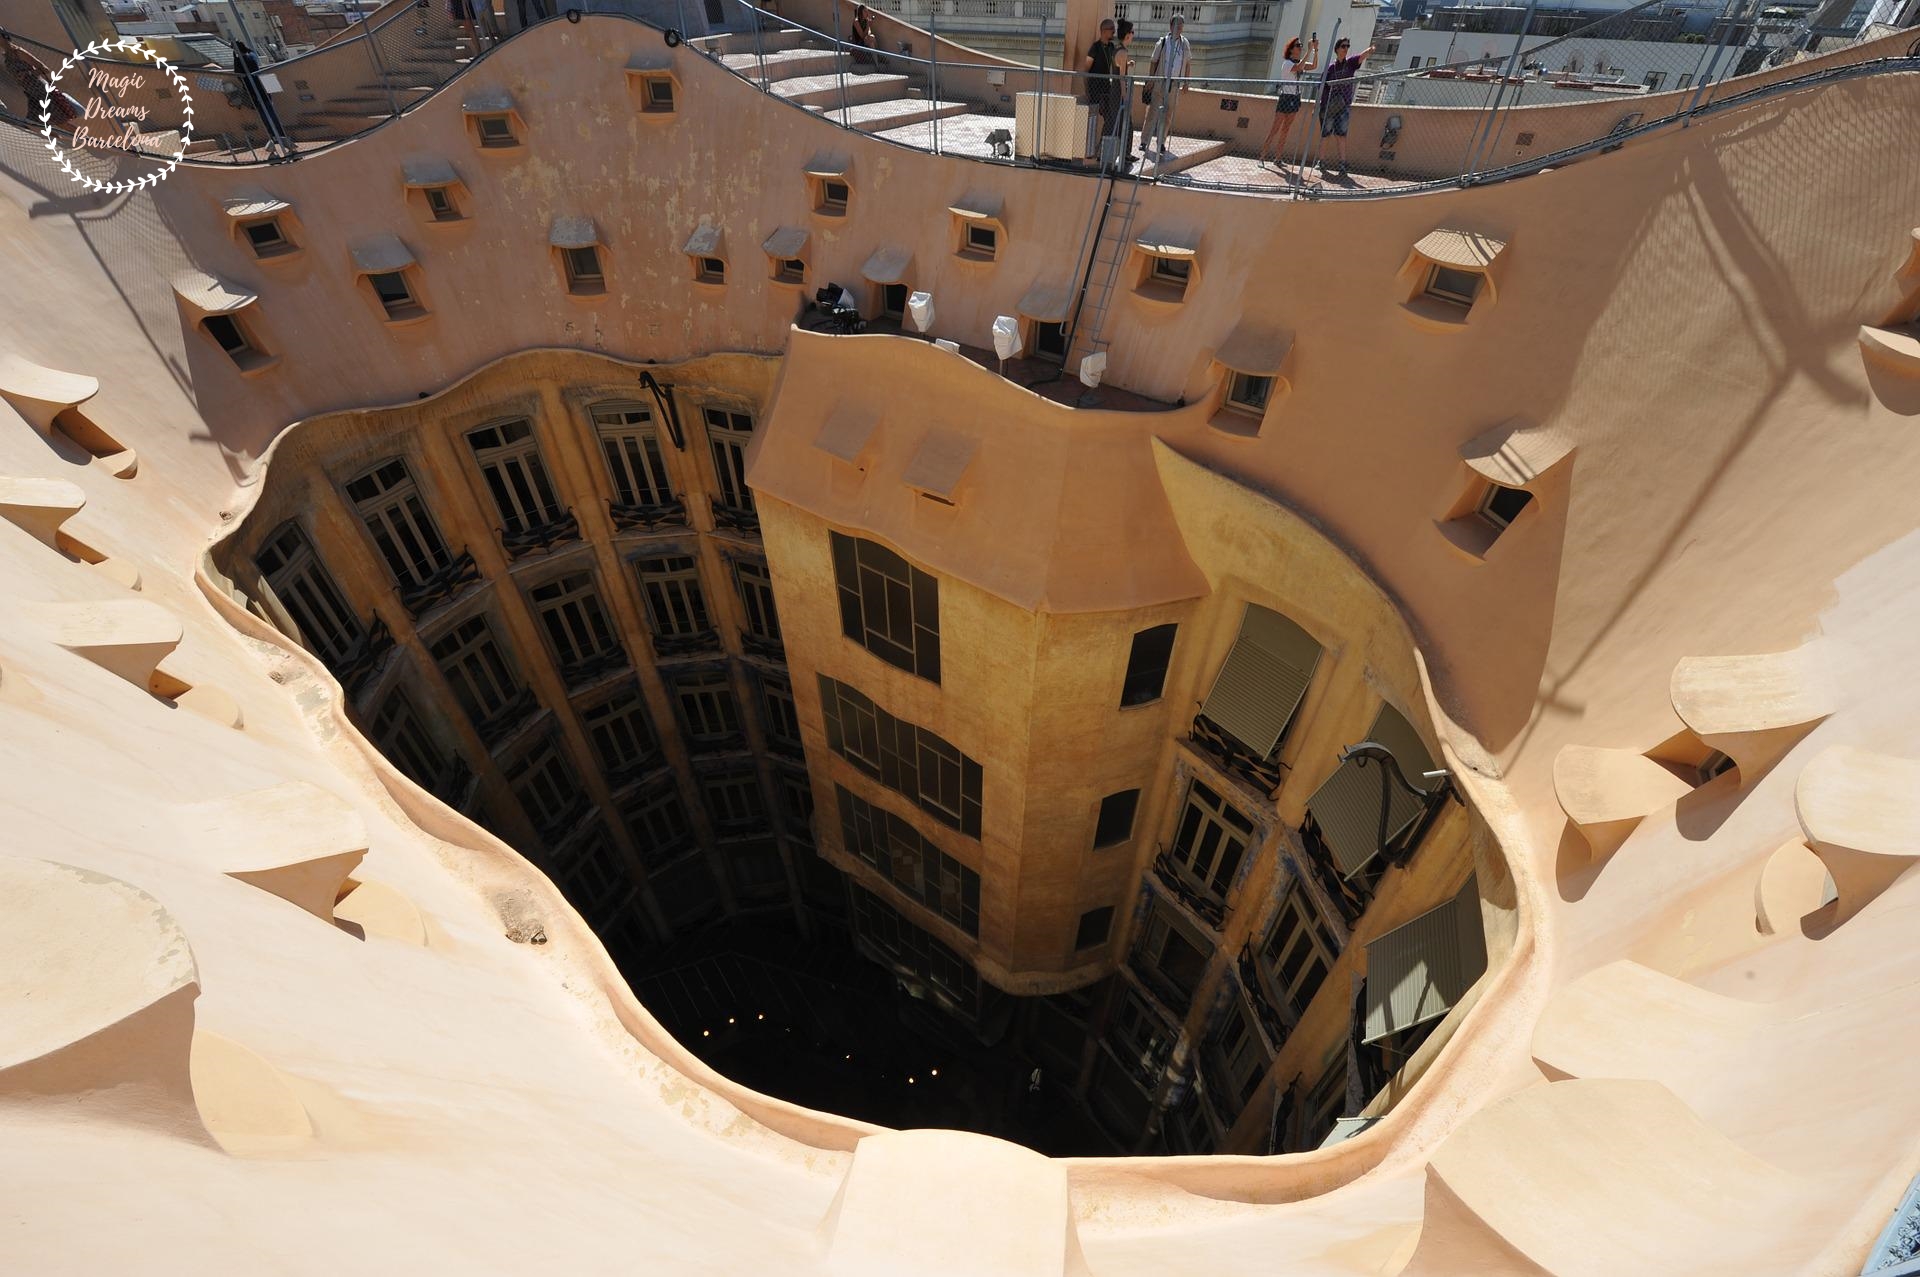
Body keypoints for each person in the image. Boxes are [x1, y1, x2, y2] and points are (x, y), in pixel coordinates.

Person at [1316, 35, 1374, 179]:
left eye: (1348, 46)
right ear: (1337, 49)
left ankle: (1342, 163)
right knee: (1325, 135)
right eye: (1343, 46)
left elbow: (1361, 56)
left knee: (1341, 135)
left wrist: (1371, 49)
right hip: (1330, 106)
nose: (1346, 49)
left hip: (1344, 105)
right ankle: (1321, 161)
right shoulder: (1331, 68)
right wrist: (1321, 107)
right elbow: (1322, 88)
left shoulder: (1350, 63)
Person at [1256, 34, 1317, 170]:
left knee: (1285, 130)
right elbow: (1299, 68)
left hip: (1295, 98)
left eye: (1301, 45)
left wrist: (1315, 50)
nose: (1300, 47)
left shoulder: (1298, 63)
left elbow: (1313, 66)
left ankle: (1278, 158)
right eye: (1298, 45)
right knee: (1275, 129)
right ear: (1291, 49)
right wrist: (1309, 50)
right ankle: (1262, 157)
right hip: (1285, 97)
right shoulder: (1287, 64)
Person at [1, 32, 79, 130]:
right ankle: (57, 142)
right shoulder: (6, 57)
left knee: (61, 123)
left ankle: (94, 142)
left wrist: (27, 74)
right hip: (31, 93)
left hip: (41, 90)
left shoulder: (19, 52)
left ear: (4, 37)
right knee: (36, 123)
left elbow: (44, 68)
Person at [1140, 15, 1190, 165]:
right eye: (1177, 25)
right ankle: (1144, 141)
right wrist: (1150, 80)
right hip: (1160, 83)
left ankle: (1161, 142)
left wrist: (1186, 82)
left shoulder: (1184, 43)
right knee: (1153, 112)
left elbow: (1188, 63)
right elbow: (1153, 61)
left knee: (1168, 115)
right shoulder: (1162, 42)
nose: (1180, 28)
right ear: (1171, 26)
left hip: (1174, 85)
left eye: (1182, 26)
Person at [232, 40, 293, 161]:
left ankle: (275, 138)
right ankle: (281, 136)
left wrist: (234, 57)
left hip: (254, 89)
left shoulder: (241, 60)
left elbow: (237, 73)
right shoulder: (252, 55)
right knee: (271, 111)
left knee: (265, 115)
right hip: (264, 85)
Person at [1081, 18, 1118, 166]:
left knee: (1109, 118)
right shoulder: (1095, 48)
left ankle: (1101, 149)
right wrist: (1087, 91)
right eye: (1111, 29)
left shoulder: (1111, 47)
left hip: (1106, 89)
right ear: (1103, 31)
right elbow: (1086, 70)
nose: (1113, 31)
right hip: (1095, 89)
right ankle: (1090, 151)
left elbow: (1116, 63)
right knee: (1093, 120)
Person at [847, 3, 878, 69]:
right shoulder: (856, 21)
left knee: (872, 39)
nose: (867, 13)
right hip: (858, 43)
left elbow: (869, 32)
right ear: (861, 12)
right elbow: (862, 36)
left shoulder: (866, 20)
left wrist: (869, 34)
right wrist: (868, 26)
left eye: (867, 11)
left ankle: (877, 63)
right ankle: (877, 61)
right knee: (871, 40)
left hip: (864, 41)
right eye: (865, 11)